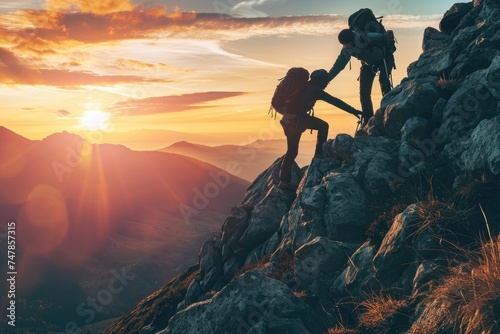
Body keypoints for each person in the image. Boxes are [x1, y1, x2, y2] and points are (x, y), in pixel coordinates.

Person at [278, 69, 362, 189]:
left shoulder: (304, 86)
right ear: (321, 81)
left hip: (287, 121)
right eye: (326, 82)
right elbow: (335, 101)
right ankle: (319, 155)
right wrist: (353, 111)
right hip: (298, 121)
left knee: (292, 151)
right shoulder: (315, 90)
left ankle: (284, 181)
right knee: (323, 126)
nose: (326, 85)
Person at [328, 28, 395, 125]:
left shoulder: (367, 36)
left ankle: (390, 112)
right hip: (368, 64)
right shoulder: (347, 49)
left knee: (384, 81)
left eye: (345, 44)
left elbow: (387, 37)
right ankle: (368, 120)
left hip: (385, 58)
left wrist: (389, 36)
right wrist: (327, 79)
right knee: (364, 92)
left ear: (350, 42)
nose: (344, 46)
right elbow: (339, 65)